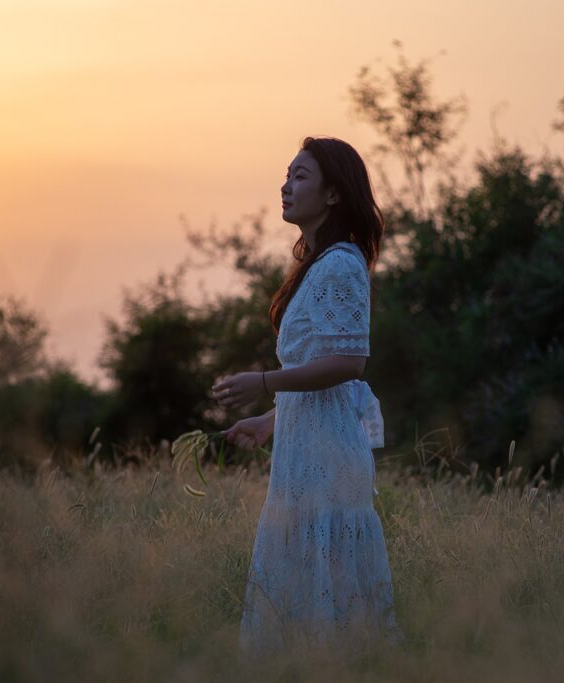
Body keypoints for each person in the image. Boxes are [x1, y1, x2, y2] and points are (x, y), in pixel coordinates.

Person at [210, 135, 400, 658]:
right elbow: (320, 371)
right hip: (303, 449)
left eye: (300, 176)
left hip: (327, 454)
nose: (285, 186)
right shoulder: (320, 266)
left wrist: (264, 381)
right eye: (287, 175)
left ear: (333, 194)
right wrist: (270, 420)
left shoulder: (339, 265)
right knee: (306, 589)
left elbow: (349, 363)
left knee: (328, 594)